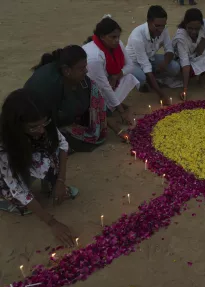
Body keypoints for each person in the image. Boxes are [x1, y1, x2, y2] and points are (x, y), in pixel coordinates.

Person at [0, 89, 77, 247]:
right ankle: (5, 199)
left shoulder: (42, 123)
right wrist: (52, 222)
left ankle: (50, 184)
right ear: (17, 125)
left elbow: (62, 145)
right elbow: (18, 188)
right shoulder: (4, 144)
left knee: (49, 153)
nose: (41, 130)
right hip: (4, 172)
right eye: (34, 127)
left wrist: (60, 181)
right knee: (20, 199)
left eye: (44, 123)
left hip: (26, 152)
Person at [24, 45, 111, 152]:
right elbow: (44, 121)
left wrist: (115, 127)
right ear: (66, 70)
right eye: (81, 68)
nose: (86, 71)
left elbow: (96, 102)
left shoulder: (79, 79)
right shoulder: (49, 86)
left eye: (85, 66)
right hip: (40, 123)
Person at [83, 16, 139, 128]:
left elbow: (130, 65)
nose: (117, 40)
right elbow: (103, 86)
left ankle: (110, 106)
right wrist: (122, 111)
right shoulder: (94, 57)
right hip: (89, 91)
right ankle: (108, 108)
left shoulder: (117, 44)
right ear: (102, 37)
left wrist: (116, 76)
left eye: (118, 37)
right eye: (113, 37)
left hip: (108, 81)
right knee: (105, 105)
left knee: (129, 77)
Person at [126, 5, 180, 103]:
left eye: (163, 25)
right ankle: (145, 82)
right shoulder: (137, 37)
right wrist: (161, 95)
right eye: (157, 26)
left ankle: (153, 79)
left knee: (175, 67)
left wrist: (165, 63)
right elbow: (145, 65)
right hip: (134, 62)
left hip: (150, 58)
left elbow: (169, 50)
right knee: (142, 78)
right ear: (148, 22)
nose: (160, 29)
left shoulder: (164, 30)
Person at [172, 8, 205, 100]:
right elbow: (185, 63)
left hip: (196, 56)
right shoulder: (181, 37)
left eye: (197, 29)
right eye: (190, 28)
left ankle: (203, 76)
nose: (193, 32)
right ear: (185, 24)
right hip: (184, 62)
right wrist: (185, 89)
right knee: (186, 70)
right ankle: (189, 78)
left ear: (201, 25)